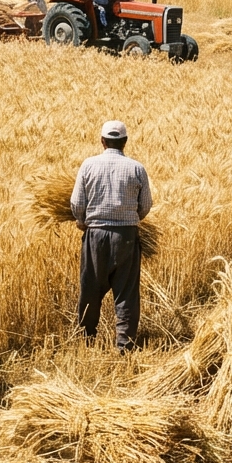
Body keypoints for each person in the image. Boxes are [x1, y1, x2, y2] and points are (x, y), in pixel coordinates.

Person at [70, 120, 152, 351]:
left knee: (90, 288)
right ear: (125, 142)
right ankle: (124, 345)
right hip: (126, 237)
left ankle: (87, 340)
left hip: (95, 235)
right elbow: (145, 205)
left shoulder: (88, 165)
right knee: (126, 292)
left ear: (102, 141)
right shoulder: (137, 168)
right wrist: (129, 220)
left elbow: (77, 203)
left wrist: (82, 221)